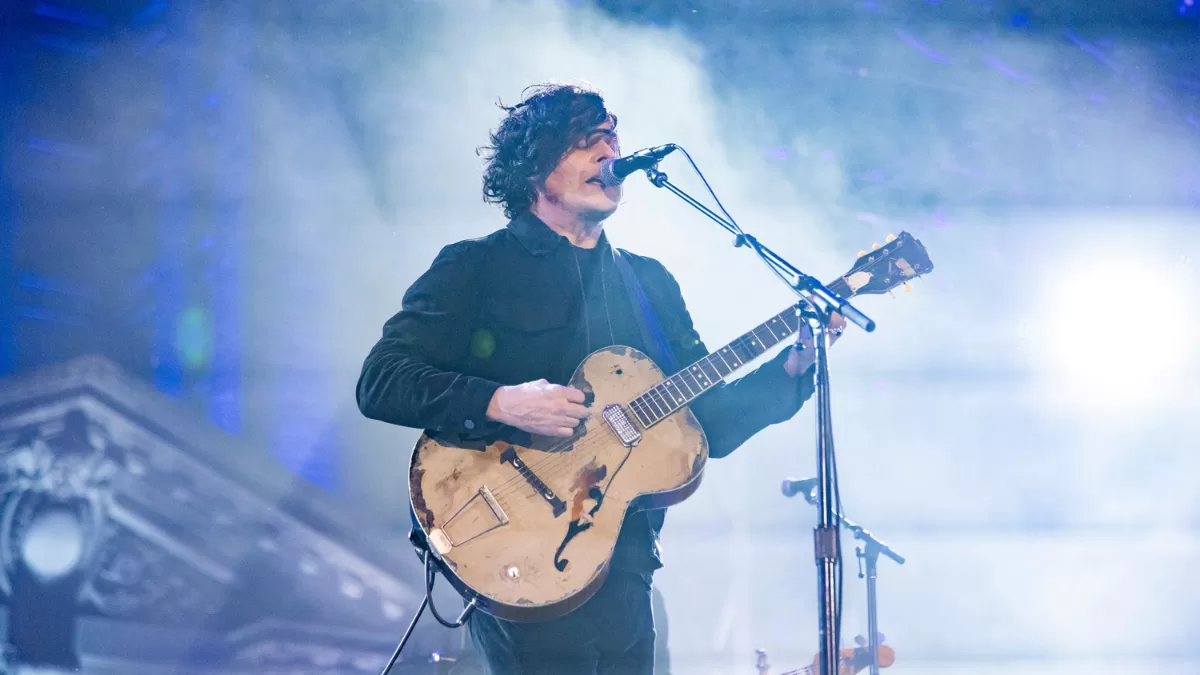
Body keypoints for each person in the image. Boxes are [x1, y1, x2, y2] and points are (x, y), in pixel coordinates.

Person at [357, 83, 844, 675]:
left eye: (611, 139)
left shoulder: (649, 282)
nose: (608, 153)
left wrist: (794, 366)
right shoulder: (475, 265)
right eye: (585, 141)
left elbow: (707, 424)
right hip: (511, 543)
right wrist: (502, 402)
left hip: (624, 559)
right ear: (533, 167)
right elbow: (381, 379)